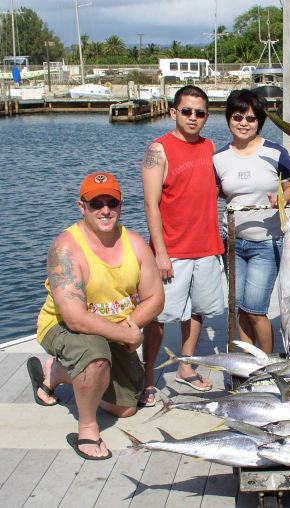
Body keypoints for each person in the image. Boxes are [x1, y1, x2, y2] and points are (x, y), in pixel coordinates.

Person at [30, 172, 164, 459]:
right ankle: (87, 429)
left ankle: (60, 373)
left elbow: (155, 298)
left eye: (111, 203)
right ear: (82, 207)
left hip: (115, 328)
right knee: (96, 358)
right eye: (96, 204)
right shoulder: (65, 248)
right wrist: (127, 334)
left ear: (120, 204)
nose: (105, 210)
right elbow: (75, 317)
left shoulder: (135, 243)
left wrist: (133, 324)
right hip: (64, 327)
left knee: (126, 407)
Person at [140, 85, 224, 406]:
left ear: (206, 116)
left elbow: (213, 189)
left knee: (199, 310)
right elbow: (150, 205)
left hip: (206, 247)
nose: (193, 117)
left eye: (200, 113)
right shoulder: (157, 150)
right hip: (171, 251)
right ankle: (148, 378)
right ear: (174, 112)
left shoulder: (210, 147)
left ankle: (185, 366)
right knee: (157, 317)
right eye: (186, 111)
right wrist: (160, 252)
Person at [214, 89, 290, 353]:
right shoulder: (218, 158)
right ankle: (247, 363)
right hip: (233, 244)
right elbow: (215, 193)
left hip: (266, 244)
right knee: (240, 307)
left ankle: (267, 363)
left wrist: (280, 199)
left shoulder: (276, 152)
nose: (243, 123)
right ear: (228, 118)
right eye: (237, 117)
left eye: (250, 118)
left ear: (259, 121)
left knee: (255, 308)